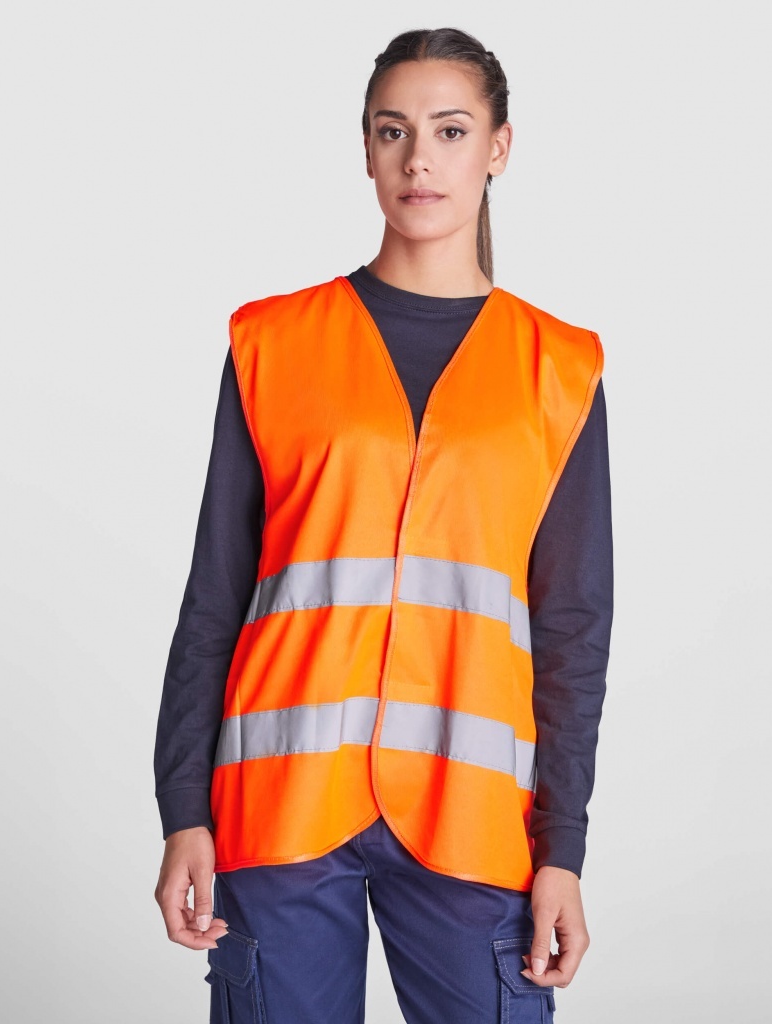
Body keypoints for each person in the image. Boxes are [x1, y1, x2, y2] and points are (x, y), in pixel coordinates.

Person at [153, 26, 613, 1024]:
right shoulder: (272, 344)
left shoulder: (559, 368)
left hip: (472, 816)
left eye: (450, 131)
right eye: (393, 131)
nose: (418, 160)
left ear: (498, 147)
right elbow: (214, 596)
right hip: (280, 805)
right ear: (365, 149)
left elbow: (573, 627)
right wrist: (183, 808)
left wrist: (563, 849)